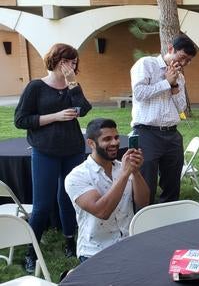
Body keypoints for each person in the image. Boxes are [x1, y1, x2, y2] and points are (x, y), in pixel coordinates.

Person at [14, 43, 92, 273]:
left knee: (69, 198)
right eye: (68, 61)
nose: (72, 65)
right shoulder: (36, 87)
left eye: (74, 61)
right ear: (56, 61)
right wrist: (55, 116)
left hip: (73, 150)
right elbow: (20, 120)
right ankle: (32, 251)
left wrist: (72, 84)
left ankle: (70, 240)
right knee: (42, 205)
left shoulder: (72, 86)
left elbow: (84, 109)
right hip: (45, 151)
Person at [65, 118, 150, 263]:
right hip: (95, 252)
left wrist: (135, 172)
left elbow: (143, 202)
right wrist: (125, 174)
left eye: (116, 137)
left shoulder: (122, 167)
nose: (115, 143)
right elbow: (102, 211)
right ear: (91, 143)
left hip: (129, 244)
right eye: (107, 139)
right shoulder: (77, 176)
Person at [130, 34, 197, 204]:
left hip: (172, 134)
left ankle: (168, 216)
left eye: (188, 61)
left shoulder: (180, 78)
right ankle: (144, 220)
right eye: (182, 57)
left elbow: (181, 107)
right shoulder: (146, 64)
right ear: (170, 49)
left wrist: (174, 84)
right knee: (147, 180)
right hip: (147, 132)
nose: (183, 63)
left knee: (172, 182)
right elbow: (139, 94)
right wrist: (166, 82)